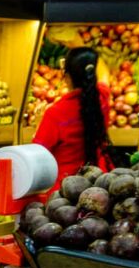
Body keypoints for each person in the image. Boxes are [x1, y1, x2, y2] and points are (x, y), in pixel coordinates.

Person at [33, 46, 114, 192]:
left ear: (67, 77)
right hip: (101, 184)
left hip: (67, 191)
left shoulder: (55, 113)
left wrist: (39, 125)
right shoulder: (102, 96)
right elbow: (105, 74)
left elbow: (37, 155)